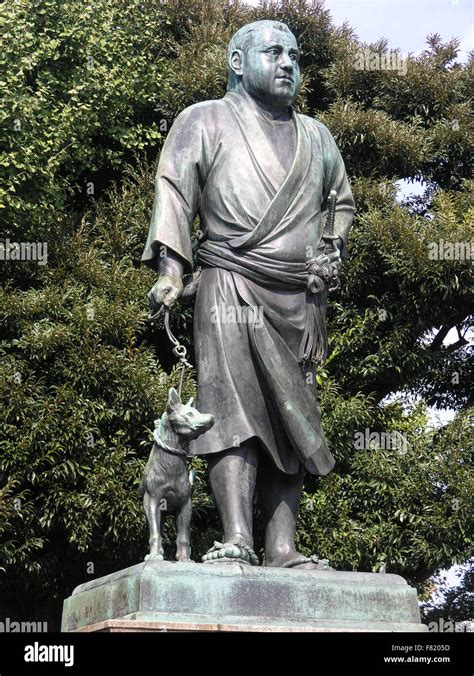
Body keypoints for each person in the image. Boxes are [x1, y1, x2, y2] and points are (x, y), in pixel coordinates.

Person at [142, 20, 355, 569]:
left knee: (293, 417)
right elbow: (173, 190)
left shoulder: (317, 135)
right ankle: (236, 536)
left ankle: (281, 547)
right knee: (229, 409)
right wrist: (171, 269)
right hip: (228, 282)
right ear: (238, 62)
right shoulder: (203, 120)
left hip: (299, 299)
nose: (288, 63)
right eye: (274, 52)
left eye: (295, 54)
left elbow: (341, 202)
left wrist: (332, 246)